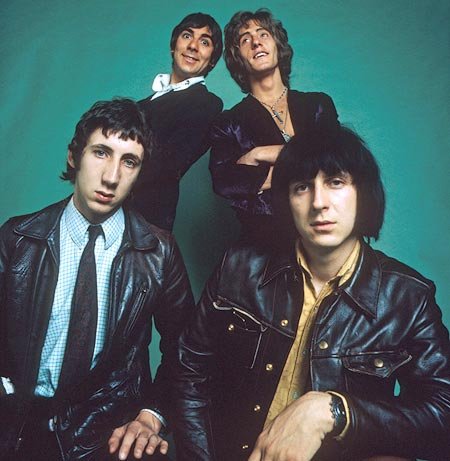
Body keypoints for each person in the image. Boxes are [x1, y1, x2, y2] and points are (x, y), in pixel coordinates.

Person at [174, 125, 450, 460]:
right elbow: (188, 372)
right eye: (302, 187)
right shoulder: (239, 266)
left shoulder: (407, 297)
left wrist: (334, 411)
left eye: (336, 182)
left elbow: (443, 417)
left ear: (363, 193)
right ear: (286, 201)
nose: (319, 203)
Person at [0, 98, 194, 460]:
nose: (111, 177)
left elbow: (186, 349)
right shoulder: (17, 238)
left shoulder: (159, 252)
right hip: (19, 428)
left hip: (110, 433)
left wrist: (152, 415)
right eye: (101, 153)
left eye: (129, 161)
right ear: (74, 156)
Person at [209, 9, 339, 242]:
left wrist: (258, 154)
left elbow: (336, 161)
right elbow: (224, 182)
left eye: (263, 34)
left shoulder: (318, 104)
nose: (256, 42)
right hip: (265, 242)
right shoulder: (228, 122)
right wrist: (306, 165)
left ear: (278, 45)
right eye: (245, 40)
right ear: (238, 57)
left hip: (327, 233)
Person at [134, 12, 223, 231]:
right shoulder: (140, 105)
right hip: (104, 209)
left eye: (204, 42)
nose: (193, 46)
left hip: (146, 219)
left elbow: (169, 164)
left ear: (212, 60)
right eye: (187, 36)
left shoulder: (208, 104)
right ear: (173, 46)